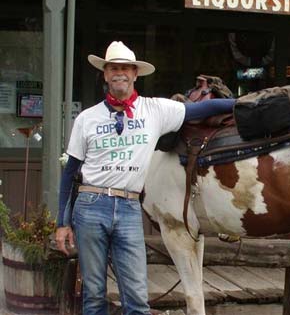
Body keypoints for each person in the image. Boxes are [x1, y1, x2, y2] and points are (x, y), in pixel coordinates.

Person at [55, 41, 235, 315]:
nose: (119, 73)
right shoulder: (87, 118)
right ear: (105, 74)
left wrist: (243, 103)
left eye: (125, 68)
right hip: (90, 205)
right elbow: (70, 172)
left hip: (128, 207)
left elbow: (200, 111)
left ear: (135, 74)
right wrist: (62, 223)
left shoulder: (154, 110)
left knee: (138, 298)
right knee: (93, 295)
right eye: (113, 68)